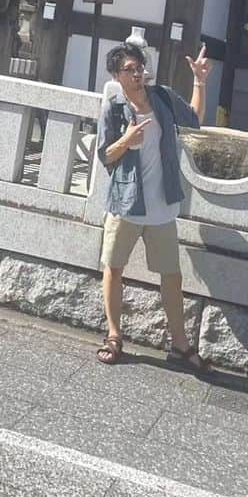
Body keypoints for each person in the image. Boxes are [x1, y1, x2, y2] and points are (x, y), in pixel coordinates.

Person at [95, 39, 211, 371]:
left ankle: (180, 344)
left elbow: (193, 119)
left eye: (139, 68)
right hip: (127, 202)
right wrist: (126, 141)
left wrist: (200, 81)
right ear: (117, 76)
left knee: (171, 276)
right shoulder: (114, 109)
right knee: (113, 268)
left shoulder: (160, 97)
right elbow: (105, 155)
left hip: (161, 205)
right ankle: (114, 336)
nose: (136, 74)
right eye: (128, 70)